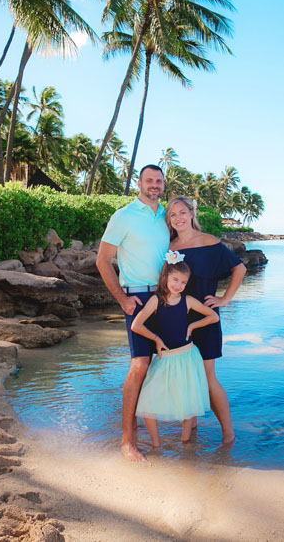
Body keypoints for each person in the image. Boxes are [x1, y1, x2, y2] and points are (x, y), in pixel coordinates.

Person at [96, 164, 170, 462]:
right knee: (140, 365)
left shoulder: (167, 215)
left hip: (168, 295)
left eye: (159, 181)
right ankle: (127, 440)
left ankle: (168, 430)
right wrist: (123, 300)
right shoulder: (123, 216)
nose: (154, 185)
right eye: (149, 180)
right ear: (139, 183)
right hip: (138, 295)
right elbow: (102, 261)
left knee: (171, 361)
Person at [166, 195, 245, 446]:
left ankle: (228, 434)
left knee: (208, 377)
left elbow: (240, 268)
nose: (178, 218)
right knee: (185, 376)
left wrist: (225, 299)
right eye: (172, 215)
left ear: (191, 213)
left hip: (206, 317)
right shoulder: (170, 247)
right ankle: (190, 432)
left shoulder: (210, 243)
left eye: (181, 212)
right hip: (178, 318)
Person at [130, 254, 218, 448]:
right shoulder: (155, 300)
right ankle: (156, 445)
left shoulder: (188, 300)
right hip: (165, 357)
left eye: (183, 282)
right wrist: (156, 339)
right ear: (165, 278)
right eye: (175, 280)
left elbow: (213, 316)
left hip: (188, 356)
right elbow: (136, 325)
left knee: (189, 402)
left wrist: (192, 326)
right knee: (148, 401)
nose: (178, 285)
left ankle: (186, 446)